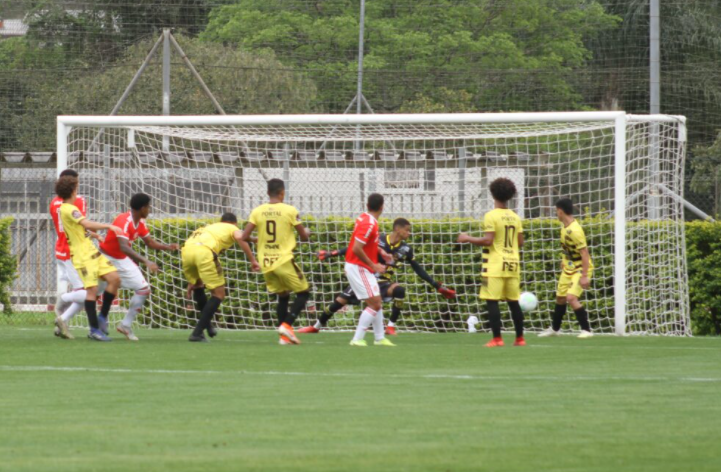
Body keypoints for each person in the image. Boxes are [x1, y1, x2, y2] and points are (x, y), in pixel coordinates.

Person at [300, 217, 456, 335]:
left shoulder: (406, 249)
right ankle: (316, 327)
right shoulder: (379, 239)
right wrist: (330, 253)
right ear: (398, 229)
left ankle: (390, 326)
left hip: (384, 282)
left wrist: (437, 287)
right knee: (339, 302)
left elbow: (418, 269)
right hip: (366, 277)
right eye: (407, 230)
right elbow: (354, 248)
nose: (409, 233)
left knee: (400, 291)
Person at [238, 179, 311, 345]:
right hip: (283, 259)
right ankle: (287, 325)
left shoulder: (257, 211)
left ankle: (283, 338)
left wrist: (258, 239)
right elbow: (304, 237)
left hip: (265, 262)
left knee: (283, 295)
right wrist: (307, 231)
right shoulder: (290, 210)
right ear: (282, 193)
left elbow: (244, 237)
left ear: (267, 193)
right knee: (304, 292)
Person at [98, 193, 179, 341]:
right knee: (90, 293)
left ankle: (125, 325)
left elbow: (150, 243)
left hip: (121, 259)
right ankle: (64, 312)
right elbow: (124, 247)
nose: (149, 210)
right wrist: (146, 262)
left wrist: (168, 247)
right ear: (142, 208)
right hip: (105, 258)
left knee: (143, 289)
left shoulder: (140, 222)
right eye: (148, 207)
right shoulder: (124, 221)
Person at [457, 178, 525, 347]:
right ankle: (520, 338)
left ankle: (497, 338)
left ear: (493, 194)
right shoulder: (515, 217)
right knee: (513, 302)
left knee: (491, 300)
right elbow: (520, 242)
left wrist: (467, 238)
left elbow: (488, 241)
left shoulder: (491, 215)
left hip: (494, 265)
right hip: (513, 264)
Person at [54, 175, 123, 341]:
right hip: (82, 255)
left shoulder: (67, 208)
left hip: (91, 250)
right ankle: (93, 330)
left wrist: (92, 235)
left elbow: (79, 229)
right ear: (72, 190)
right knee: (91, 291)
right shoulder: (69, 208)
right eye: (77, 187)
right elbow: (86, 223)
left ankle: (101, 318)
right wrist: (109, 226)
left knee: (114, 279)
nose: (78, 191)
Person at [182, 213, 244, 342]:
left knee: (198, 286)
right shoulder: (231, 227)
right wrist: (253, 259)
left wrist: (191, 280)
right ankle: (197, 333)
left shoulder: (208, 227)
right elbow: (241, 237)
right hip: (204, 252)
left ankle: (208, 327)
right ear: (234, 223)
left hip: (187, 251)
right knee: (219, 294)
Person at [539, 198, 594, 338]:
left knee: (571, 297)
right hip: (569, 267)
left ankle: (586, 330)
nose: (556, 214)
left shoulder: (575, 230)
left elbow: (585, 254)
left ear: (561, 211)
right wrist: (564, 261)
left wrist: (584, 276)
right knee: (560, 298)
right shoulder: (564, 228)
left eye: (556, 211)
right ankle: (555, 329)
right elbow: (568, 250)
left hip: (580, 268)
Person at [346, 193, 395, 347]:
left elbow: (368, 243)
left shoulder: (365, 218)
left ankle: (379, 338)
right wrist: (374, 265)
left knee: (377, 301)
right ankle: (357, 338)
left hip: (361, 267)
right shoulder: (369, 224)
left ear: (367, 205)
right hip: (358, 267)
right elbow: (356, 248)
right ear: (382, 207)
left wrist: (381, 252)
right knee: (375, 303)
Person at [50, 169, 88, 337]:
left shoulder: (53, 203)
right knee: (87, 294)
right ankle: (62, 300)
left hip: (60, 250)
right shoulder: (78, 201)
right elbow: (83, 226)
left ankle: (62, 323)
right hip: (73, 253)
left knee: (85, 293)